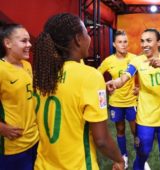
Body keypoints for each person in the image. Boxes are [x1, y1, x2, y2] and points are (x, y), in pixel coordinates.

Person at [32, 13, 124, 170]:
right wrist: (119, 160)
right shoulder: (89, 76)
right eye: (87, 33)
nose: (89, 39)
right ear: (77, 39)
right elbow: (101, 140)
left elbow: (68, 100)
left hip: (43, 164)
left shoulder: (42, 73)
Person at [107, 28, 160, 170]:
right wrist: (115, 83)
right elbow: (125, 77)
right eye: (142, 41)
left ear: (158, 42)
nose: (144, 44)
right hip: (145, 119)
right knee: (142, 154)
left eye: (149, 40)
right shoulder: (137, 61)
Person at [98, 30, 142, 169]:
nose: (123, 45)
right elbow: (96, 77)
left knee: (136, 131)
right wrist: (105, 86)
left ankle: (141, 160)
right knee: (120, 130)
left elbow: (145, 75)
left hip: (131, 102)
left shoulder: (135, 58)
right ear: (114, 44)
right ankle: (124, 156)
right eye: (120, 42)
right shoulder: (108, 61)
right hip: (116, 103)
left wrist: (139, 87)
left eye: (125, 42)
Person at [0, 22, 39, 169]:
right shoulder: (1, 70)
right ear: (8, 43)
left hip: (35, 139)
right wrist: (1, 127)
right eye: (24, 41)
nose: (29, 44)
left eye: (29, 40)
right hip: (13, 147)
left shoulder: (27, 65)